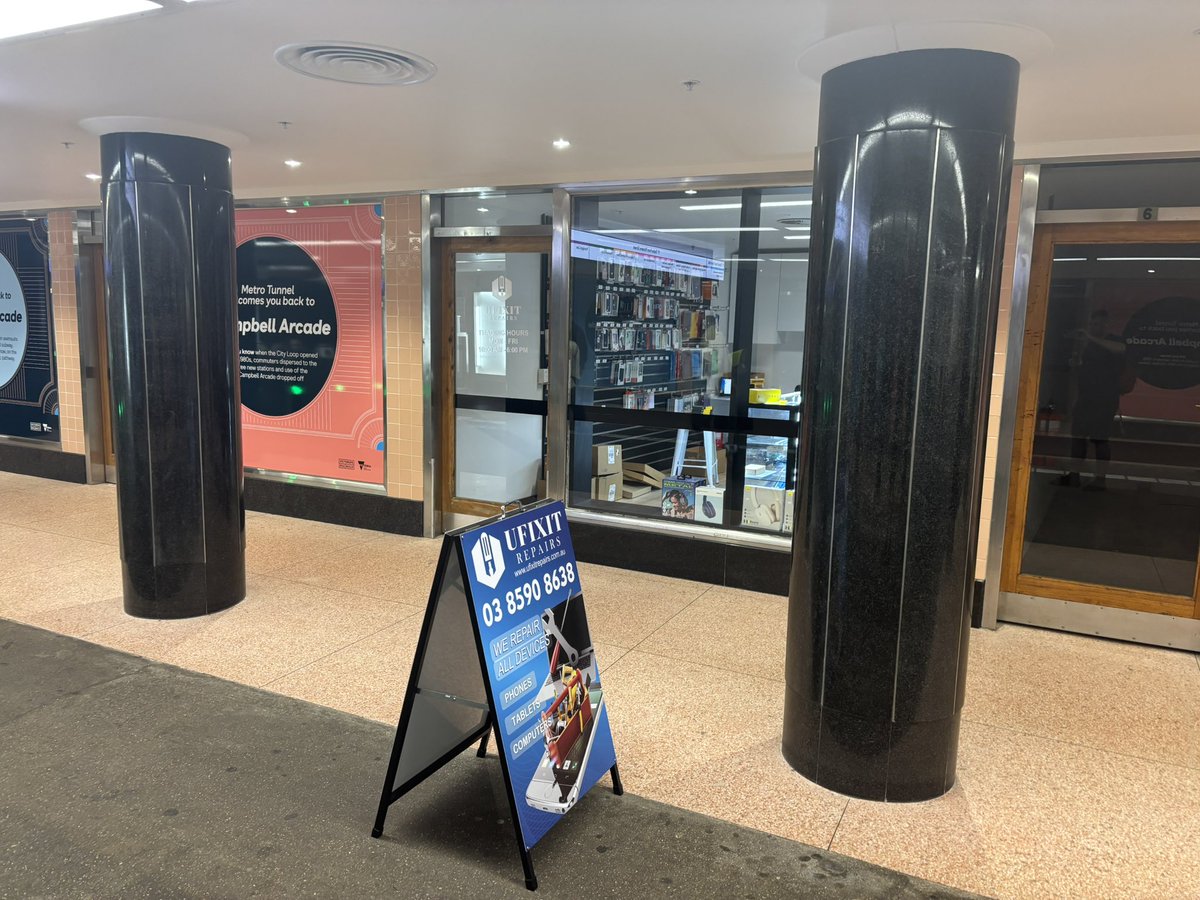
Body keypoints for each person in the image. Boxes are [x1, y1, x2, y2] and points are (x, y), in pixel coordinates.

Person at [1059, 309, 1127, 491]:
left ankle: (1100, 479)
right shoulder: (1087, 345)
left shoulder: (1115, 341)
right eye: (1092, 324)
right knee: (1078, 437)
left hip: (1105, 399)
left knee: (1100, 439)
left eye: (1098, 324)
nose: (1095, 327)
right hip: (1085, 397)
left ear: (1107, 324)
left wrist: (1090, 337)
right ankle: (1074, 476)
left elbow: (1120, 349)